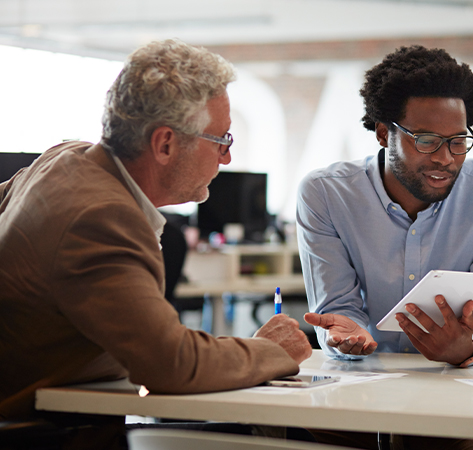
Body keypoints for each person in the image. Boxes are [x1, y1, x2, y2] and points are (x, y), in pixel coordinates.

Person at [0, 39, 311, 434]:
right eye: (221, 140)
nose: (227, 158)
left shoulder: (63, 159)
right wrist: (272, 351)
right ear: (165, 144)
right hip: (44, 436)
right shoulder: (102, 217)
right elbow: (171, 363)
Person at [297, 44, 473, 450]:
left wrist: (467, 347)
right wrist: (350, 336)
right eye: (426, 141)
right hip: (360, 392)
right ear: (385, 133)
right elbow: (340, 307)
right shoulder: (326, 193)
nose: (445, 158)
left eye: (458, 141)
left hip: (455, 390)